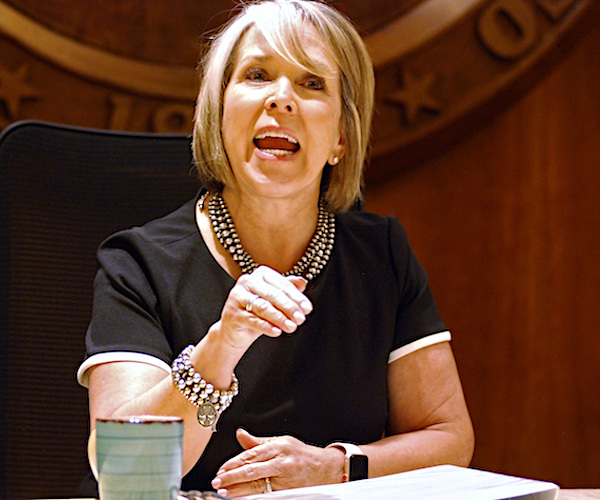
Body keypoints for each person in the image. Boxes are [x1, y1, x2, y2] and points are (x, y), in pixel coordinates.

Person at [77, 0, 475, 496]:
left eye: (312, 83)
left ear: (342, 138)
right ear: (220, 116)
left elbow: (448, 438)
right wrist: (222, 345)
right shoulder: (138, 265)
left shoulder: (383, 256)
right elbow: (123, 471)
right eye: (258, 74)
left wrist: (334, 466)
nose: (282, 98)